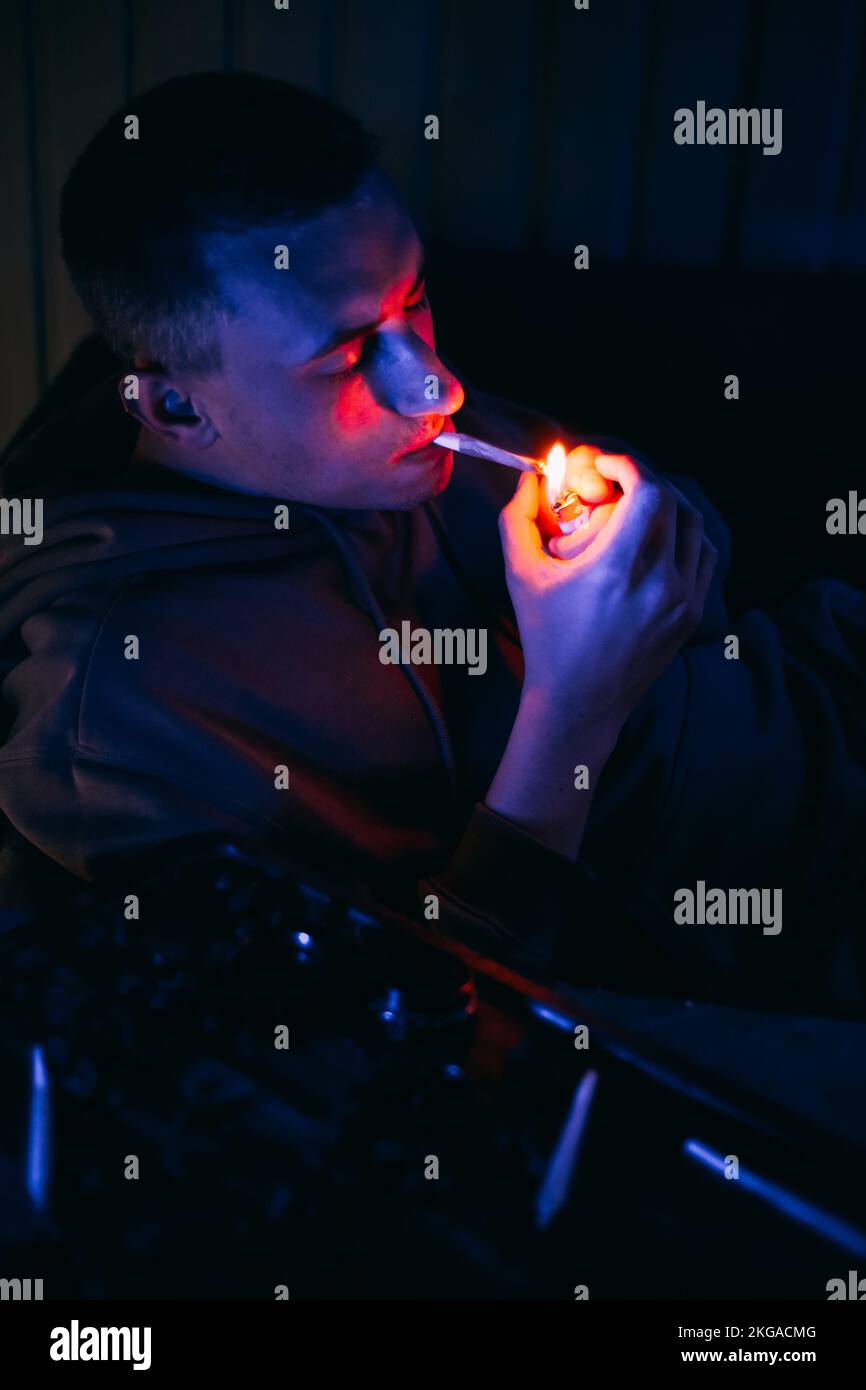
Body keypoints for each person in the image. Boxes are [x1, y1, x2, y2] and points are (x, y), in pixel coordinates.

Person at [1, 73, 864, 1008]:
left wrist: (663, 542)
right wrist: (572, 708)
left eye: (414, 301)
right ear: (174, 403)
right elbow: (392, 1043)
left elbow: (705, 580)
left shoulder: (395, 436)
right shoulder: (108, 729)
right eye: (347, 354)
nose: (436, 388)